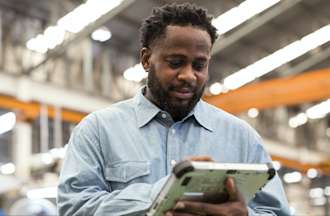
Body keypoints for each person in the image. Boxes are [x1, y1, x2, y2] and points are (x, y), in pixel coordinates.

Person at [57, 3, 290, 216]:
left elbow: (277, 212)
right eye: (176, 62)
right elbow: (74, 208)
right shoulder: (98, 130)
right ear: (146, 60)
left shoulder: (242, 138)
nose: (188, 76)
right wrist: (164, 193)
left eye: (199, 65)